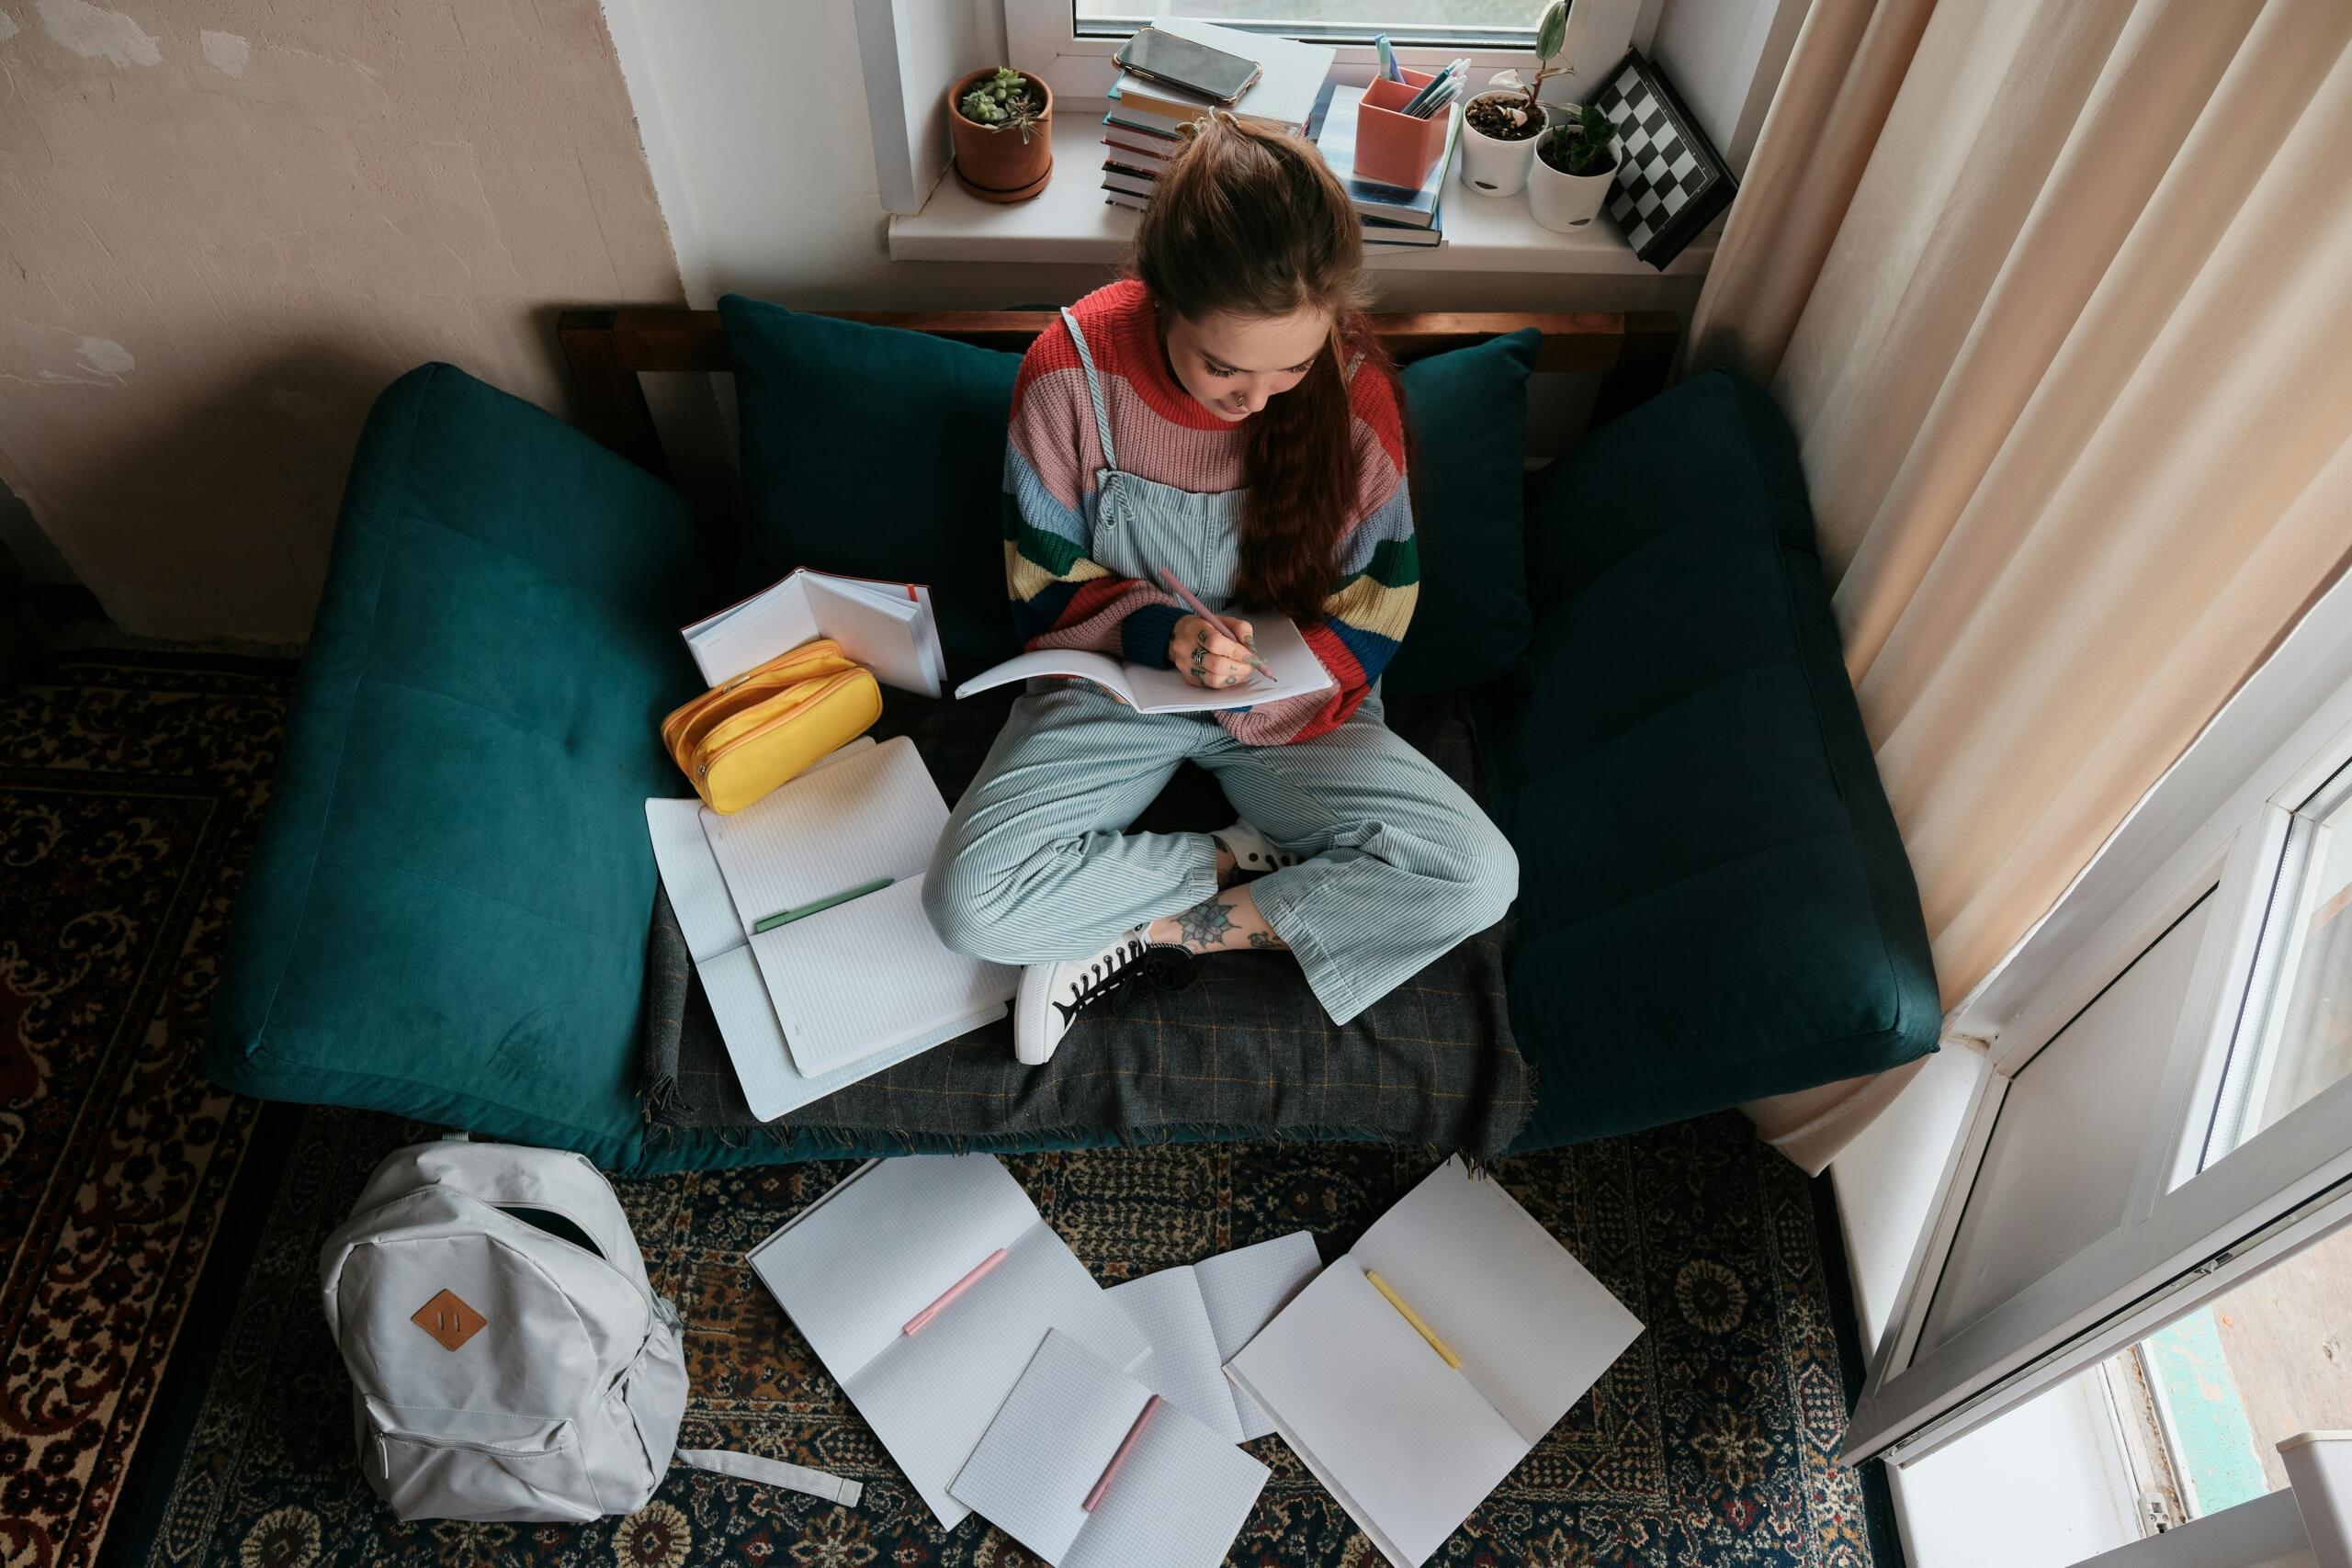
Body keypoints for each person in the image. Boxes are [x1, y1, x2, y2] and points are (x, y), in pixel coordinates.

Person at [923, 112, 1517, 1065]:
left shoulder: (1353, 390)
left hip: (1299, 711)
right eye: (1223, 368)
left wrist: (1278, 684)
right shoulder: (1066, 375)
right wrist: (1164, 637)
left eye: (1289, 369)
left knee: (1479, 874)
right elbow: (1041, 586)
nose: (1255, 401)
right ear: (1160, 300)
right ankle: (1237, 854)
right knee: (965, 901)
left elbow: (1380, 594)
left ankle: (1144, 936)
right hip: (1113, 693)